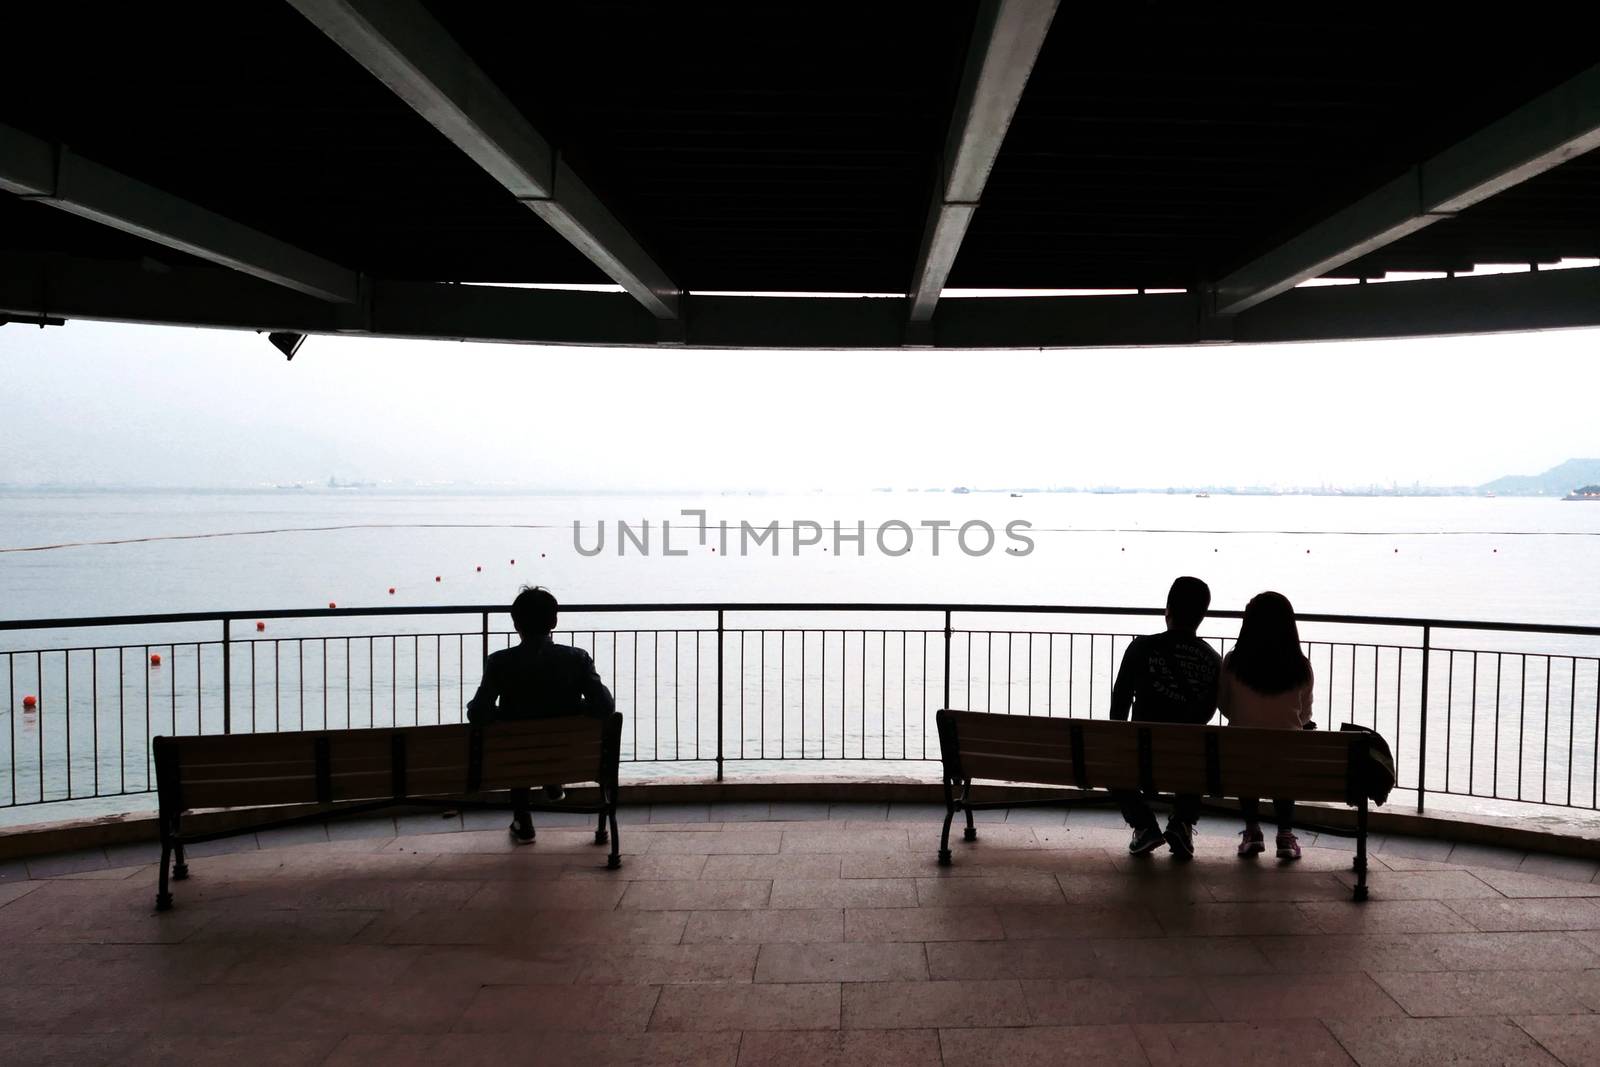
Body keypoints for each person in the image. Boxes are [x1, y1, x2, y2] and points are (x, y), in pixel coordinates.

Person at [466, 586, 615, 844]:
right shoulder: (577, 658)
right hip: (567, 755)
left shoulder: (499, 662)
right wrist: (577, 708)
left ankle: (523, 821)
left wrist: (503, 714)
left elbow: (478, 713)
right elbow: (605, 705)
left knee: (516, 733)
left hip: (516, 759)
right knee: (542, 733)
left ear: (515, 624)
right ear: (554, 621)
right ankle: (551, 779)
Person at [1109, 576, 1220, 860]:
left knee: (1105, 758)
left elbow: (1118, 707)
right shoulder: (1212, 660)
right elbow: (1207, 713)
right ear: (1202, 616)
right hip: (1189, 763)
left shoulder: (1140, 648)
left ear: (1167, 609)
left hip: (1142, 758)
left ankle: (1145, 825)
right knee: (1198, 751)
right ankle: (1182, 823)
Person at [1217, 590, 1314, 861]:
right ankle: (1285, 834)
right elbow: (1304, 716)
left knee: (1245, 752)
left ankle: (1252, 831)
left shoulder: (1232, 663)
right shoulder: (1301, 667)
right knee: (1285, 754)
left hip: (1242, 759)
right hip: (1285, 762)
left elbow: (1225, 707)